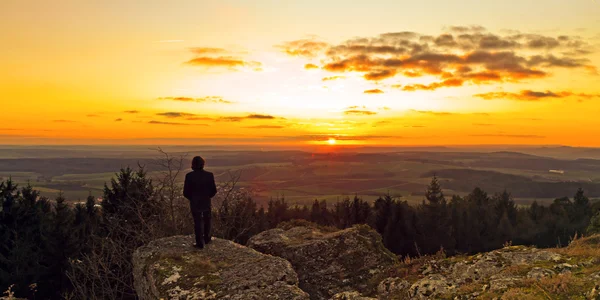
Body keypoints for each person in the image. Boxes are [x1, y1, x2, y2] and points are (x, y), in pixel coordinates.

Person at [183, 156, 217, 249]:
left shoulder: (189, 176)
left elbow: (185, 192)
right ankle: (207, 238)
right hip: (206, 201)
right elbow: (213, 190)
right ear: (203, 164)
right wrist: (207, 197)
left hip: (195, 202)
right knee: (207, 220)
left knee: (197, 222)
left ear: (193, 165)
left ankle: (199, 243)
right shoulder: (209, 175)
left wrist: (192, 198)